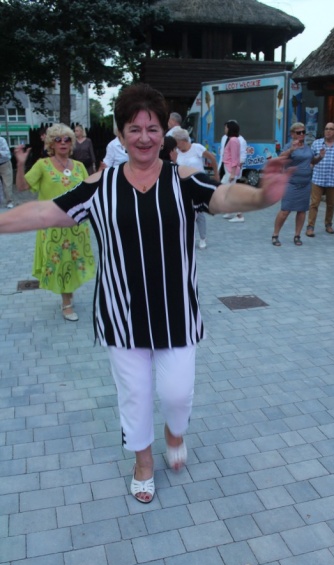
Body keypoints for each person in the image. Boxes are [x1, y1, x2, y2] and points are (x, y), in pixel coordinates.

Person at [2, 83, 291, 505]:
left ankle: (175, 432)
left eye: (152, 128)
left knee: (177, 393)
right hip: (121, 316)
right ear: (120, 134)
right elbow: (46, 211)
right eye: (134, 129)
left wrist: (264, 195)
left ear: (163, 134)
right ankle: (143, 462)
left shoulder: (183, 180)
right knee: (134, 395)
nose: (143, 137)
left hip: (177, 314)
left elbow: (225, 196)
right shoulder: (99, 186)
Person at [14, 123, 96, 321]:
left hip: (76, 226)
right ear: (51, 143)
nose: (63, 143)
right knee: (61, 262)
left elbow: (90, 191)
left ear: (72, 143)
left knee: (73, 261)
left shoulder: (78, 167)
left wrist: (104, 175)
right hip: (53, 226)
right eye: (58, 139)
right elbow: (22, 187)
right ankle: (66, 303)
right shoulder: (43, 165)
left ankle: (68, 295)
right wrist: (21, 164)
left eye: (67, 139)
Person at [271, 122, 325, 247]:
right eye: (298, 132)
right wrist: (291, 149)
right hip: (291, 183)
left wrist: (320, 157)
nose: (302, 134)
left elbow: (312, 161)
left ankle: (297, 235)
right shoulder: (289, 146)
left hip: (305, 183)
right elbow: (280, 158)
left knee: (301, 210)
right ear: (292, 134)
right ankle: (275, 235)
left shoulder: (307, 147)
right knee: (285, 210)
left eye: (303, 132)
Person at [173, 127, 220, 249]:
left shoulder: (196, 148)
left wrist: (216, 174)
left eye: (176, 142)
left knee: (199, 212)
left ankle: (203, 238)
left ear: (183, 140)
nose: (176, 145)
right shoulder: (176, 152)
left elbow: (212, 158)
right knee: (185, 212)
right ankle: (188, 237)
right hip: (183, 185)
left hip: (198, 184)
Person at [305, 122, 334, 236]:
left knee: (330, 205)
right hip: (317, 179)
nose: (328, 131)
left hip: (333, 180)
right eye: (326, 129)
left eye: (331, 129)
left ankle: (328, 224)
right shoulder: (316, 143)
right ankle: (310, 227)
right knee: (314, 204)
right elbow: (311, 161)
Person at [220, 120, 244, 222]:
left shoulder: (233, 140)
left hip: (231, 170)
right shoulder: (232, 140)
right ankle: (230, 211)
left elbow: (234, 158)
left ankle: (239, 215)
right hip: (229, 169)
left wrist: (233, 173)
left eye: (226, 127)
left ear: (230, 129)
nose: (225, 129)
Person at [0, 136, 14, 208]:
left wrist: (0, 153)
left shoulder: (2, 140)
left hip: (5, 163)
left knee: (7, 184)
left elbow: (7, 153)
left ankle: (9, 201)